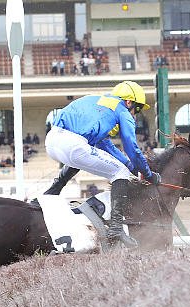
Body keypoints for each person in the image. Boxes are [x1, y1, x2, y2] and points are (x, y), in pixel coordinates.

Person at [43, 80, 161, 247]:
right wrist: (147, 174)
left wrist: (132, 167)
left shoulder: (98, 102)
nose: (135, 114)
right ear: (129, 102)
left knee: (83, 157)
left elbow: (106, 146)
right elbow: (131, 147)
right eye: (138, 109)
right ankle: (116, 227)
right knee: (120, 173)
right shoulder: (122, 110)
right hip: (73, 144)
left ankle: (50, 194)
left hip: (52, 141)